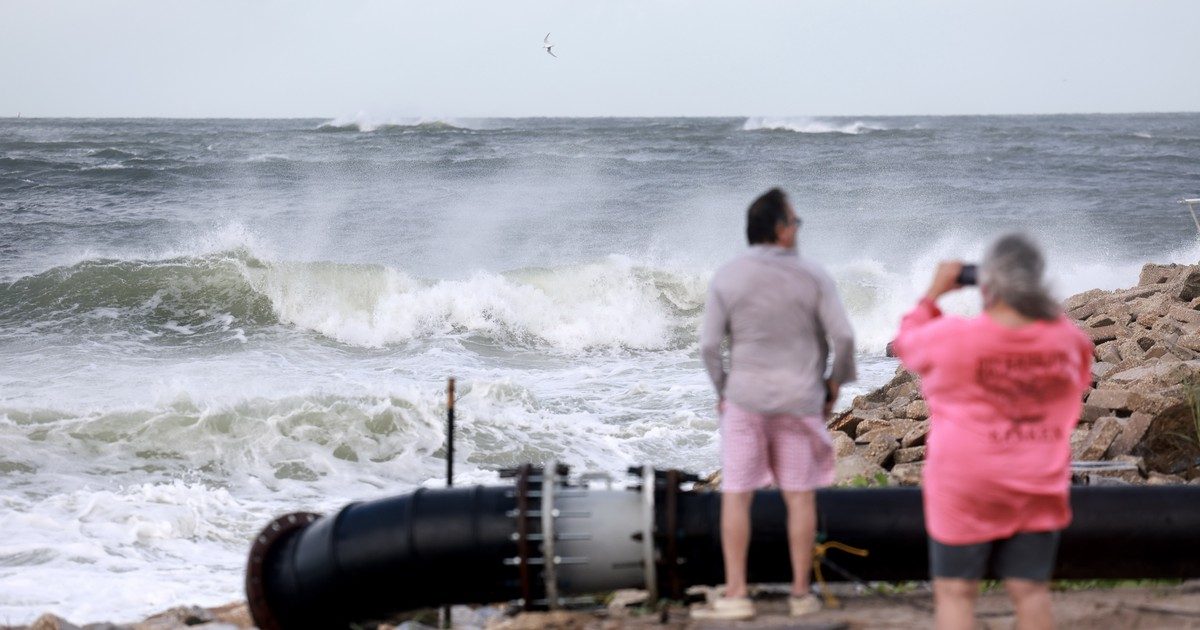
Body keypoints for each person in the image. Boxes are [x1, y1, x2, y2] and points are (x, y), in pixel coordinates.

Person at [891, 234, 1092, 630]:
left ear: (988, 283)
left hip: (965, 483)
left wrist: (934, 293)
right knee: (1031, 592)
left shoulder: (953, 337)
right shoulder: (1067, 340)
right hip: (1038, 479)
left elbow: (906, 344)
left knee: (955, 593)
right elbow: (1080, 368)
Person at [696, 188, 856, 620]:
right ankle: (802, 595)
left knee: (737, 495)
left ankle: (736, 593)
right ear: (781, 230)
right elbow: (842, 338)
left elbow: (710, 346)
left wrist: (724, 389)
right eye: (795, 222)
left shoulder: (728, 276)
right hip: (799, 400)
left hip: (745, 400)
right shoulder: (813, 275)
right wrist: (834, 385)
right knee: (800, 496)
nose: (798, 230)